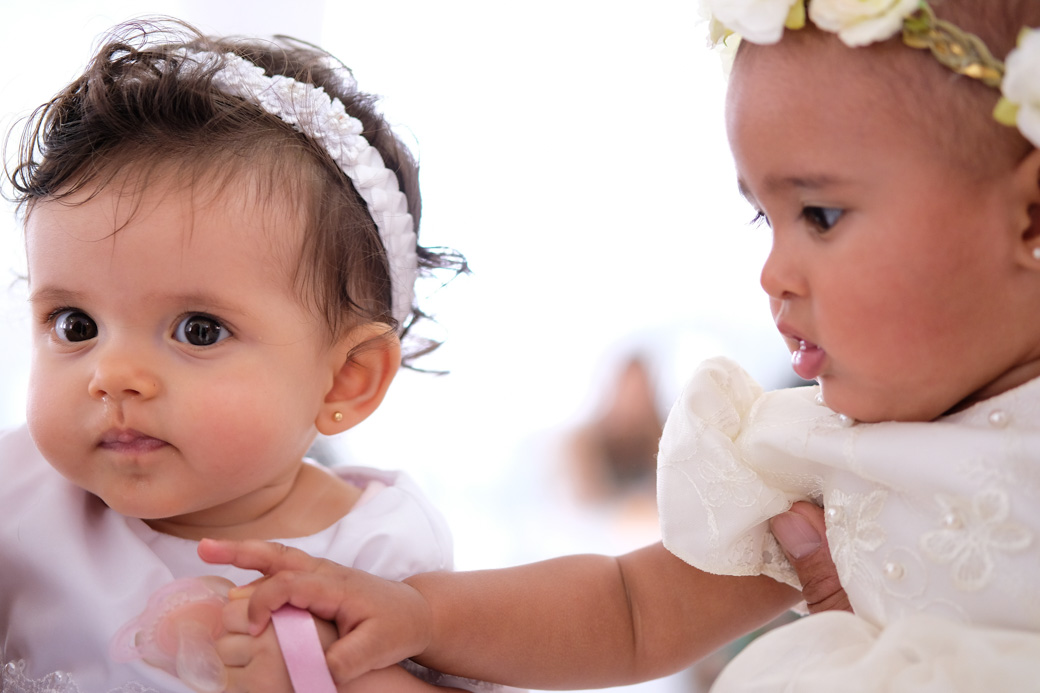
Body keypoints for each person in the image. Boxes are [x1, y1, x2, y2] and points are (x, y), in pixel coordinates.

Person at [202, 0, 1040, 690]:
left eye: (821, 215)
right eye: (764, 216)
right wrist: (425, 615)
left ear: (1030, 217)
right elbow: (631, 609)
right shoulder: (818, 456)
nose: (773, 273)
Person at [0, 17, 502, 693]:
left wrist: (315, 670)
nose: (111, 375)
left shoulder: (375, 553)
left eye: (199, 330)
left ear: (345, 381)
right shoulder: (22, 490)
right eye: (75, 323)